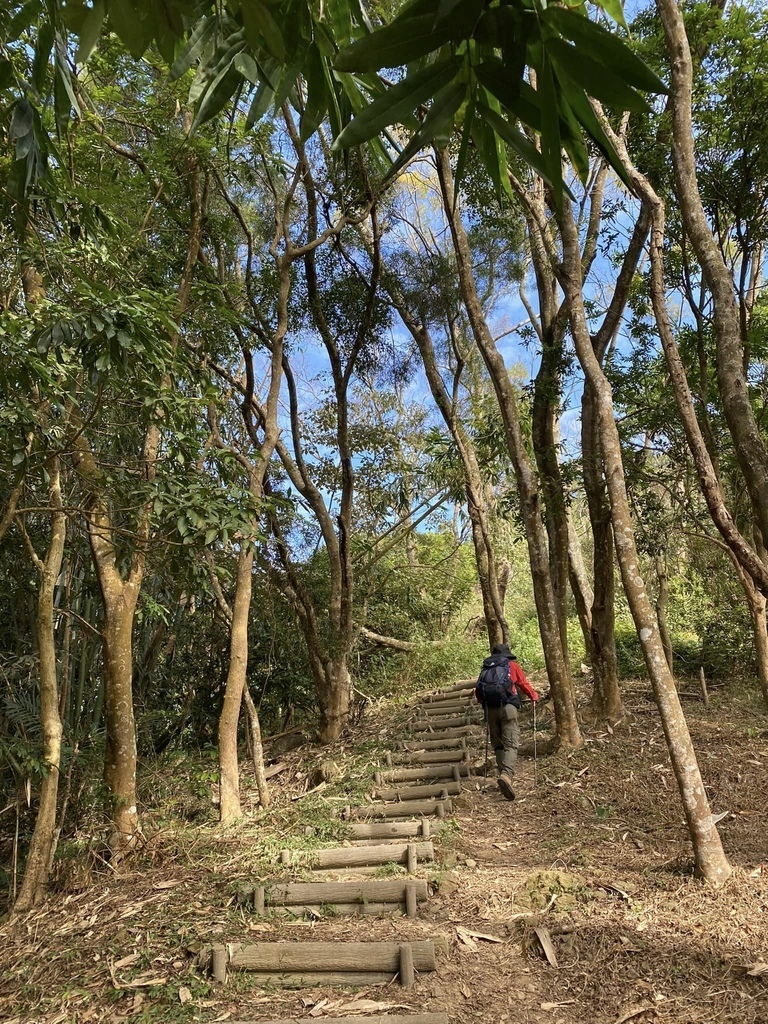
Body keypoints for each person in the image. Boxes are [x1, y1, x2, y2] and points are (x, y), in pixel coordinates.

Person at [475, 642, 539, 801]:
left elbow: (478, 692)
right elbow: (523, 684)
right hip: (508, 709)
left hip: (490, 710)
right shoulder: (512, 666)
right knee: (511, 744)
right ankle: (506, 776)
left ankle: (503, 775)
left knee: (498, 744)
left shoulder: (486, 668)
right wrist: (534, 696)